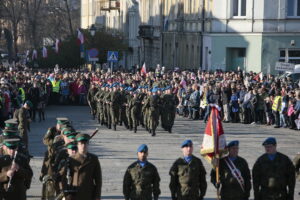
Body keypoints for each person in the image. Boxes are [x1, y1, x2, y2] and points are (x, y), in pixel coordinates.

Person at [58, 133, 102, 200]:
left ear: (88, 145)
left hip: (89, 194)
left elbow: (98, 180)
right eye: (81, 144)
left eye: (85, 144)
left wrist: (97, 196)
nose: (83, 146)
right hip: (74, 194)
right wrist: (66, 194)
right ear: (77, 145)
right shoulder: (71, 159)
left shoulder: (93, 159)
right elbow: (64, 179)